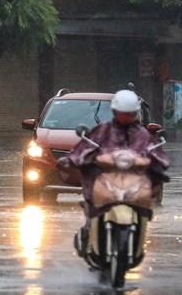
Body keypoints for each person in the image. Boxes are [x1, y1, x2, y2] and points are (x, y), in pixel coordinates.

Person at [57, 89, 169, 217]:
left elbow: (156, 153)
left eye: (130, 114)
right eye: (122, 113)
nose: (126, 117)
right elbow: (83, 148)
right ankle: (90, 228)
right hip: (105, 183)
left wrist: (159, 165)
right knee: (92, 202)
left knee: (145, 205)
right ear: (115, 112)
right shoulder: (101, 131)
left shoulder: (143, 135)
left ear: (136, 114)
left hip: (134, 185)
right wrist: (70, 159)